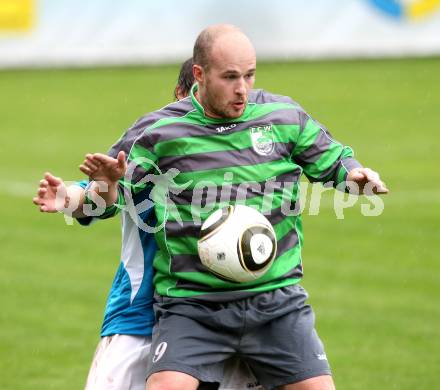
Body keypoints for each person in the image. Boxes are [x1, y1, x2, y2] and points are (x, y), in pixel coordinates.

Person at [80, 24, 388, 390]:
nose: (242, 88)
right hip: (192, 305)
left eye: (249, 75)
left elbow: (332, 158)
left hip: (276, 303)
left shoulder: (283, 116)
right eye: (230, 77)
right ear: (200, 74)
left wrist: (353, 175)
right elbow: (103, 205)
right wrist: (103, 186)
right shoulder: (158, 131)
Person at [33, 57, 263, 390]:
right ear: (181, 94)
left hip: (227, 320)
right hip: (142, 320)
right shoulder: (152, 147)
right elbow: (101, 194)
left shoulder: (245, 155)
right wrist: (67, 197)